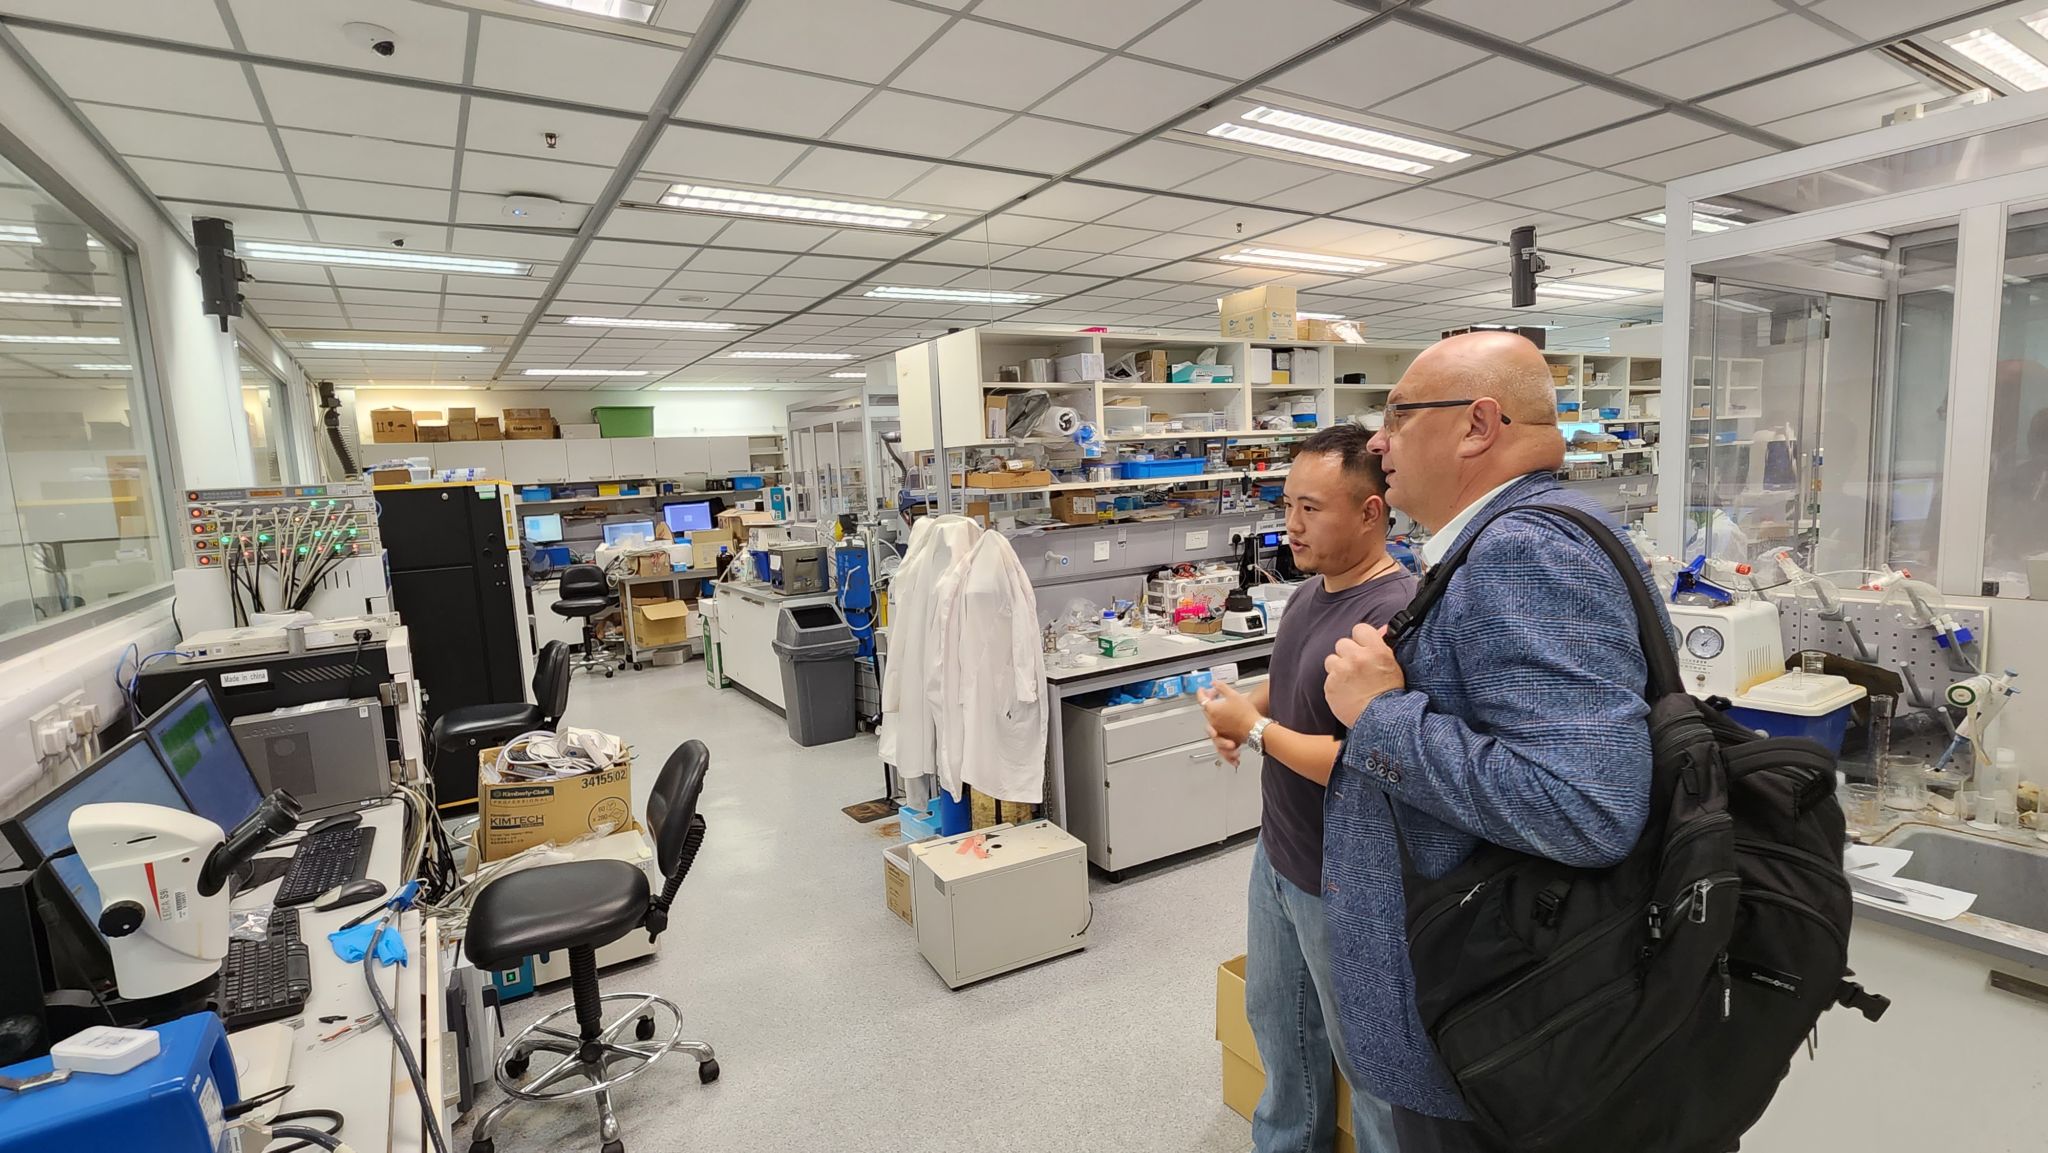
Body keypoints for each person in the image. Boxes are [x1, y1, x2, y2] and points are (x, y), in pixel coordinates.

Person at [1317, 332, 1664, 1153]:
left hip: (1480, 1027)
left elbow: (1589, 805)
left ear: (1477, 425)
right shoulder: (1520, 533)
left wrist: (1378, 715)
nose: (1376, 439)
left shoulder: (1524, 550)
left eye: (1398, 414)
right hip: (1480, 1000)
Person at [1199, 423, 1413, 1153]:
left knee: (1370, 1062)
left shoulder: (1392, 613)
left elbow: (1363, 758)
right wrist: (1249, 710)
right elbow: (1294, 682)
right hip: (1281, 854)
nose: (1291, 524)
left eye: (1312, 508)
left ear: (1370, 512)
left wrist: (1255, 733)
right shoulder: (1310, 593)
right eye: (1288, 504)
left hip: (1346, 878)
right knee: (1279, 1025)